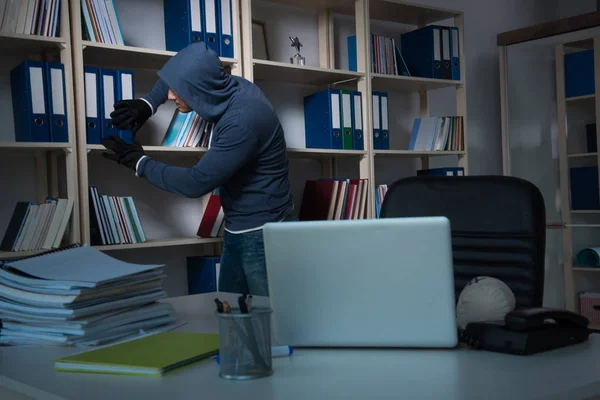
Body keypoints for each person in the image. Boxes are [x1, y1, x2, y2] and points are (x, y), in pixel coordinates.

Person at [102, 42, 295, 297]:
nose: (170, 96)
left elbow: (196, 183)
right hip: (238, 228)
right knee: (233, 322)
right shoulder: (226, 85)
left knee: (274, 327)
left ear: (197, 89)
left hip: (264, 236)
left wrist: (139, 162)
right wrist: (147, 103)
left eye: (176, 91)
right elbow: (181, 77)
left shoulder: (243, 120)